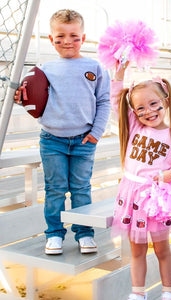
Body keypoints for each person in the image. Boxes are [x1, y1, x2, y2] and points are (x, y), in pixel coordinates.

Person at [14, 9, 110, 255]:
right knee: (55, 189)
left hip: (84, 140)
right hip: (52, 140)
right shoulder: (45, 68)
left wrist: (96, 133)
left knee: (81, 189)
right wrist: (20, 98)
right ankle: (54, 233)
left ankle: (85, 233)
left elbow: (104, 101)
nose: (67, 41)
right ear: (50, 39)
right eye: (61, 36)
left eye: (74, 36)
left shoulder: (95, 67)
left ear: (84, 37)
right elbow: (31, 97)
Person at [110, 63, 171, 300]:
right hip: (131, 197)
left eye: (153, 103)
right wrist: (118, 76)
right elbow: (115, 102)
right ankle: (138, 293)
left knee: (162, 249)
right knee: (136, 250)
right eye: (140, 107)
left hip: (155, 200)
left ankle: (168, 291)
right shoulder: (133, 127)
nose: (148, 111)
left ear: (166, 102)